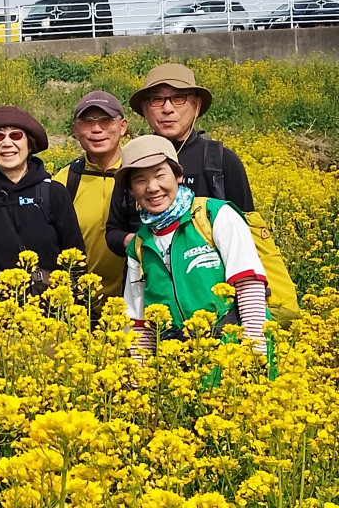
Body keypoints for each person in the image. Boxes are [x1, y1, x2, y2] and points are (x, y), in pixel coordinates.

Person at [120, 135, 268, 354]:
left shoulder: (214, 215)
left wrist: (254, 355)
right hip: (177, 360)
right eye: (140, 180)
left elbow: (248, 284)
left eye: (160, 175)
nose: (152, 187)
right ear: (131, 190)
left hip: (233, 352)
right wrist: (139, 372)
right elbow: (140, 323)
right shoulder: (139, 245)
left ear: (178, 175)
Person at [106, 63, 253, 256]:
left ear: (196, 105)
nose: (167, 108)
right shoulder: (134, 160)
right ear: (145, 109)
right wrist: (143, 243)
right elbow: (113, 231)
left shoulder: (222, 160)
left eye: (178, 98)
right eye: (157, 100)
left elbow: (246, 232)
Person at [0, 106, 84, 283]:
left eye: (16, 135)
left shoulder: (54, 193)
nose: (6, 143)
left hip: (48, 299)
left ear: (30, 144)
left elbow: (75, 258)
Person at [52, 91, 129, 302]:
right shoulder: (64, 180)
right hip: (78, 305)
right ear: (75, 130)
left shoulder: (140, 175)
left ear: (123, 126)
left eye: (106, 120)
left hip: (135, 306)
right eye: (87, 122)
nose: (96, 129)